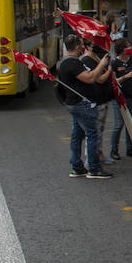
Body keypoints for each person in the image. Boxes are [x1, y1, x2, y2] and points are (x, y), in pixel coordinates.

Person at [55, 34, 113, 179]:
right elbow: (90, 78)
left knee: (77, 135)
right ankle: (94, 168)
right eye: (81, 45)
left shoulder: (65, 62)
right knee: (92, 134)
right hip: (82, 104)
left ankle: (77, 167)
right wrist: (103, 64)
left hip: (74, 103)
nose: (83, 47)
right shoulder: (72, 63)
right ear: (76, 47)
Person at [108, 38, 132, 161]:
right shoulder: (114, 63)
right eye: (127, 46)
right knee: (119, 124)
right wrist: (125, 76)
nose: (129, 48)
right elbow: (113, 81)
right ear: (121, 49)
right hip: (119, 97)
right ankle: (114, 149)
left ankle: (130, 148)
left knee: (131, 123)